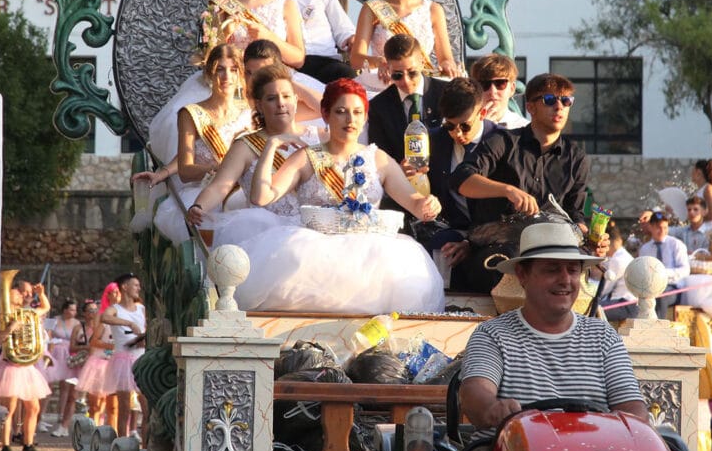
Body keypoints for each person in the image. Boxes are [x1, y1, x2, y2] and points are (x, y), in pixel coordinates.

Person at [242, 78, 445, 314]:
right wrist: (270, 147)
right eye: (341, 112)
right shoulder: (307, 157)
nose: (350, 120)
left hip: (370, 260)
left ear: (365, 117)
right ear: (325, 115)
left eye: (357, 112)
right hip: (313, 256)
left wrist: (429, 204)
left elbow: (415, 203)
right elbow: (261, 197)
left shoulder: (378, 159)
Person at [461, 221, 647, 429]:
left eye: (573, 270)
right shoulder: (492, 335)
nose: (565, 280)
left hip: (592, 448)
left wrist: (629, 427)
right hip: (515, 448)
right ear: (522, 275)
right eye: (552, 270)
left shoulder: (604, 336)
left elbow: (633, 407)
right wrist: (491, 409)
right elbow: (475, 391)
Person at [147, 0, 311, 165]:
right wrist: (224, 35)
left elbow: (298, 58)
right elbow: (207, 56)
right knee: (178, 116)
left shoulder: (285, 4)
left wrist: (267, 37)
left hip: (271, 80)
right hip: (228, 80)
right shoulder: (222, 2)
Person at [452, 73, 592, 293]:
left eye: (566, 101)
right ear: (530, 107)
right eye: (549, 100)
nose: (559, 107)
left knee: (581, 263)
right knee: (513, 261)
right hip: (498, 247)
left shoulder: (577, 158)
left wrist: (590, 237)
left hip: (551, 248)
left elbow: (576, 215)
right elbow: (462, 180)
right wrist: (507, 190)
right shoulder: (502, 141)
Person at [185, 64, 321, 242]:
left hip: (316, 232)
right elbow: (220, 186)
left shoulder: (319, 138)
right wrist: (199, 206)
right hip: (266, 235)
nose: (281, 103)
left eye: (286, 96)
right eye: (271, 98)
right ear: (259, 105)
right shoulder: (245, 146)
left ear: (295, 100)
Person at [148, 44, 253, 245]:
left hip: (241, 191)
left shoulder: (250, 113)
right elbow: (185, 170)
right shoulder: (191, 114)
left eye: (233, 70)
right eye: (220, 69)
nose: (227, 77)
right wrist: (218, 169)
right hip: (203, 190)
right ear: (209, 74)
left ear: (240, 74)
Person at [417, 77, 497, 289]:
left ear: (482, 113)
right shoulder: (435, 140)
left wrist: (471, 242)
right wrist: (410, 175)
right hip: (451, 227)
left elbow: (504, 212)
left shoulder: (500, 141)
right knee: (441, 247)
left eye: (465, 126)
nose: (457, 133)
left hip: (492, 233)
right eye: (450, 126)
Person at [367, 34, 448, 165]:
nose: (406, 81)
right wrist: (398, 170)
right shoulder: (378, 107)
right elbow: (379, 156)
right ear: (388, 69)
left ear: (422, 63)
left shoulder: (446, 93)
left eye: (412, 73)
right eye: (397, 75)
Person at [0, 280, 52, 451]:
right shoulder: (2, 315)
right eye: (17, 293)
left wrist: (41, 294)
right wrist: (11, 328)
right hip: (11, 366)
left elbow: (45, 307)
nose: (20, 296)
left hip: (26, 367)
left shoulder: (27, 313)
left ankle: (28, 444)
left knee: (33, 407)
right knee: (9, 409)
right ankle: (6, 446)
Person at [98, 274, 148, 444]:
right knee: (124, 407)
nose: (138, 288)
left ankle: (146, 447)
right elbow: (105, 317)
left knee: (146, 407)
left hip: (140, 358)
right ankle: (122, 445)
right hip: (123, 361)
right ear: (125, 287)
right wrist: (128, 323)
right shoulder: (115, 309)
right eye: (135, 285)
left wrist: (143, 340)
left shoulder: (141, 309)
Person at [75, 283, 120, 426]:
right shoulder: (101, 315)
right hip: (100, 361)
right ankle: (95, 431)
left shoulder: (126, 315)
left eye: (118, 292)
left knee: (114, 406)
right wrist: (111, 345)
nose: (117, 295)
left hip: (117, 362)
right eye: (114, 292)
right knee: (96, 404)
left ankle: (114, 433)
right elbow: (94, 340)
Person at [39, 298, 80, 438]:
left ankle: (61, 415)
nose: (74, 312)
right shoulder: (54, 320)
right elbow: (47, 335)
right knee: (48, 384)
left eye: (75, 310)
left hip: (68, 353)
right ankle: (41, 416)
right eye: (71, 309)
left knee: (66, 386)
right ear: (65, 310)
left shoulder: (77, 323)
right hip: (55, 352)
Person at [637, 210, 689, 316]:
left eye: (665, 227)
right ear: (650, 227)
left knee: (661, 297)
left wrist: (663, 273)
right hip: (651, 288)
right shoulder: (645, 249)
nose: (662, 231)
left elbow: (685, 270)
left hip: (673, 287)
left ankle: (658, 325)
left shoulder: (676, 244)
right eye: (658, 227)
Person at [590, 220, 636, 320]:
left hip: (625, 304)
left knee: (589, 309)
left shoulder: (617, 260)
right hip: (624, 302)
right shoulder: (622, 256)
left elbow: (603, 290)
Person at [470, 53, 528, 129]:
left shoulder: (524, 128)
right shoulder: (464, 127)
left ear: (512, 88)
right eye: (484, 84)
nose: (492, 91)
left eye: (500, 83)